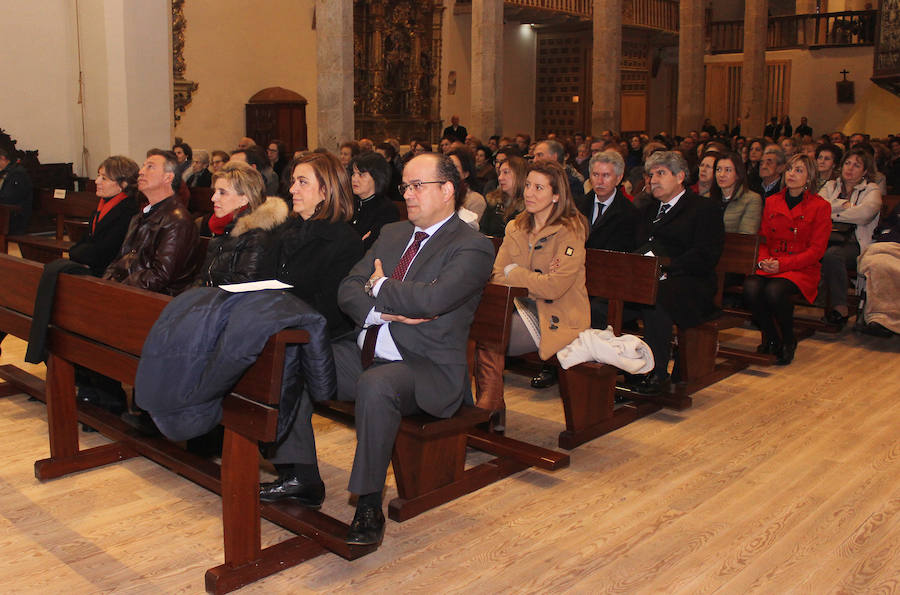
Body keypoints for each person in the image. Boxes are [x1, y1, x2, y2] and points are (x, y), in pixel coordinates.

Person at [262, 152, 493, 548]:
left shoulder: (472, 246)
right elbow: (348, 287)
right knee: (289, 357)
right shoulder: (393, 233)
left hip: (426, 368)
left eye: (418, 185)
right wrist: (380, 311)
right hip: (368, 349)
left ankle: (368, 503)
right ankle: (301, 476)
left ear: (448, 189)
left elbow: (433, 300)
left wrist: (381, 286)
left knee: (378, 386)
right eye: (404, 186)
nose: (408, 194)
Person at [259, 152, 365, 509]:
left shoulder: (343, 241)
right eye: (293, 181)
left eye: (302, 182)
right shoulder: (286, 232)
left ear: (327, 190)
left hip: (333, 342)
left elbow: (333, 310)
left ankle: (302, 478)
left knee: (288, 364)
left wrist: (281, 312)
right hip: (288, 331)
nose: (292, 189)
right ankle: (279, 459)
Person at [475, 159, 589, 429]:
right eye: (527, 185)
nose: (529, 193)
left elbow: (554, 287)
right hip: (517, 307)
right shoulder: (516, 226)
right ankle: (485, 409)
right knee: (476, 329)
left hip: (558, 314)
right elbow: (497, 273)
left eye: (539, 188)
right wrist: (525, 278)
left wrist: (516, 274)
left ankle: (488, 412)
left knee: (489, 336)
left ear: (556, 195)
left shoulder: (571, 230)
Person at [630, 151, 725, 395]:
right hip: (648, 278)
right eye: (651, 175)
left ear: (680, 176)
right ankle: (613, 365)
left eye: (661, 173)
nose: (653, 180)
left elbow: (706, 254)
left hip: (690, 282)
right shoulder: (647, 209)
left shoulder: (704, 209)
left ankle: (657, 372)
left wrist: (667, 268)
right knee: (606, 297)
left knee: (656, 298)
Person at [743, 154, 830, 364]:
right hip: (773, 261)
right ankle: (771, 336)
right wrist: (763, 260)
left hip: (801, 267)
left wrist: (783, 264)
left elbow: (816, 250)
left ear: (809, 177)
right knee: (751, 288)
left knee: (774, 291)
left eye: (799, 170)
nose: (792, 174)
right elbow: (763, 239)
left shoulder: (820, 206)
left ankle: (788, 339)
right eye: (790, 169)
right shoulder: (773, 201)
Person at [104, 149, 199, 294]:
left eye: (150, 167)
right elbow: (120, 259)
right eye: (143, 166)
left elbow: (161, 275)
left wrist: (120, 288)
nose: (141, 171)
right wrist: (106, 281)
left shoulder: (178, 221)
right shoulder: (140, 216)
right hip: (131, 289)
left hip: (158, 299)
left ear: (168, 177)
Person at [818, 147, 883, 326]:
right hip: (827, 237)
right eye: (847, 163)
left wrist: (833, 210)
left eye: (856, 165)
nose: (850, 168)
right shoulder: (831, 186)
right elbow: (817, 208)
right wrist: (845, 206)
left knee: (832, 255)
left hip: (856, 242)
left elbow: (864, 215)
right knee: (818, 251)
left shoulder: (871, 190)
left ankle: (840, 307)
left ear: (865, 171)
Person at [196, 160, 287, 286]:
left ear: (244, 199)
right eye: (215, 191)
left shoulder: (256, 236)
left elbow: (243, 286)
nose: (213, 198)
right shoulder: (223, 226)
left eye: (222, 192)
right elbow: (204, 275)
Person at [69, 155, 140, 276]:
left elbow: (107, 252)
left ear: (123, 184)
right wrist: (75, 253)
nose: (97, 181)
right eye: (98, 176)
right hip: (95, 266)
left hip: (111, 273)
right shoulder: (104, 205)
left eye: (104, 178)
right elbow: (87, 239)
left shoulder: (128, 211)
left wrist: (77, 255)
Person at [349, 152, 399, 251]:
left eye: (361, 175)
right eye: (353, 174)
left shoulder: (387, 210)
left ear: (377, 177)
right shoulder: (349, 203)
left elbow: (373, 247)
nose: (354, 179)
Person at [709, 151, 762, 234]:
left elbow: (746, 235)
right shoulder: (707, 197)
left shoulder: (752, 199)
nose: (722, 174)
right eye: (718, 169)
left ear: (738, 174)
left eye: (728, 170)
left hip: (736, 245)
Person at [480, 155, 526, 238]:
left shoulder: (528, 207)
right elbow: (482, 230)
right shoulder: (494, 201)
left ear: (519, 175)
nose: (500, 178)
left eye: (506, 172)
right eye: (499, 173)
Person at [448, 146, 487, 222]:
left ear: (465, 174)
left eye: (454, 168)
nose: (449, 171)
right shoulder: (437, 195)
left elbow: (469, 229)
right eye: (447, 166)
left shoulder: (476, 200)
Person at [0, 148, 33, 235]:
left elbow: (10, 198)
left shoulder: (17, 173)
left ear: (2, 158)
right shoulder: (5, 172)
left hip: (15, 216)